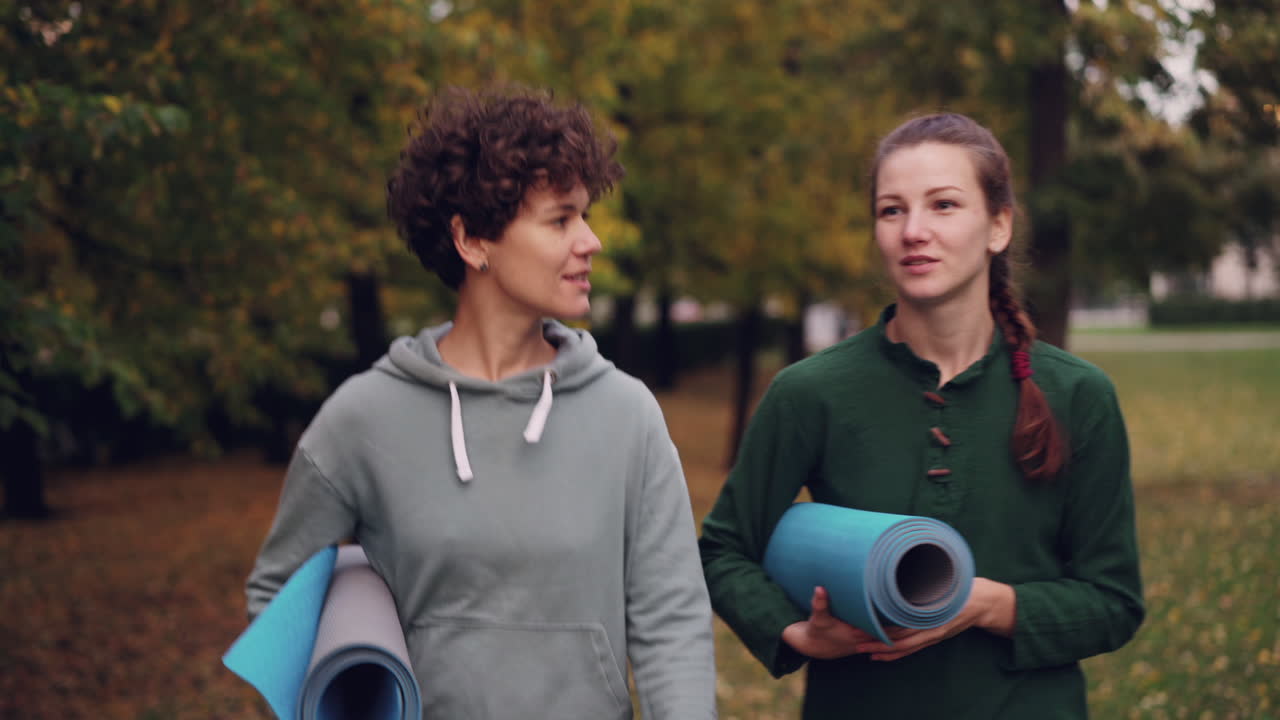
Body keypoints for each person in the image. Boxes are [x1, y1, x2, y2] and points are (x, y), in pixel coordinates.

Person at [246, 86, 717, 720]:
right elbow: (279, 598)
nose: (591, 240)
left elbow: (672, 622)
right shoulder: (363, 419)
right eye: (560, 219)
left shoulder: (629, 416)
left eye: (585, 215)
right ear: (472, 241)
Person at [699, 112, 1143, 719]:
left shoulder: (1079, 395)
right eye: (891, 210)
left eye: (943, 205)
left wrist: (987, 605)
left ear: (998, 226)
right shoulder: (810, 391)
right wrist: (793, 631)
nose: (914, 230)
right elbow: (724, 549)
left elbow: (1113, 602)